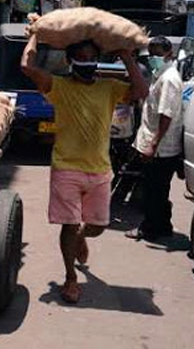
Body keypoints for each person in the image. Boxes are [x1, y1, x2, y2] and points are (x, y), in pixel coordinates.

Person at [21, 35, 148, 303]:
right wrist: (33, 37)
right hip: (66, 167)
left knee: (97, 225)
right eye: (82, 57)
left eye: (92, 57)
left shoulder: (109, 87)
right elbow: (27, 68)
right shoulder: (59, 86)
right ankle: (70, 278)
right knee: (68, 225)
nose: (87, 62)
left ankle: (82, 235)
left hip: (100, 169)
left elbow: (141, 91)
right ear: (69, 60)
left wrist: (126, 55)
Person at [125, 36, 185, 241]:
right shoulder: (160, 75)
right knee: (158, 190)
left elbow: (166, 116)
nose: (153, 58)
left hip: (161, 149)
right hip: (158, 146)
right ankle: (162, 226)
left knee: (153, 192)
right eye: (151, 54)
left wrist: (153, 145)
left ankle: (149, 228)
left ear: (169, 54)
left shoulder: (168, 79)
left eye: (158, 54)